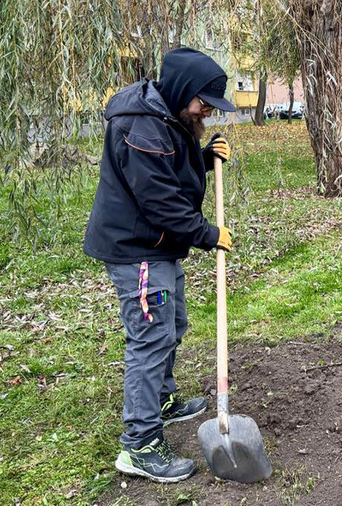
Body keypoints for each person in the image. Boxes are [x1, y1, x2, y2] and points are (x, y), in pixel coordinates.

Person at [83, 47, 236, 483]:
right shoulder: (141, 128)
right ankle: (140, 444)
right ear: (184, 90)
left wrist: (202, 159)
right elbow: (160, 200)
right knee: (151, 339)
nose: (208, 111)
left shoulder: (166, 116)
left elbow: (169, 170)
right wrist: (207, 234)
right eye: (204, 102)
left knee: (174, 324)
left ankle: (162, 401)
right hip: (138, 250)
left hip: (158, 245)